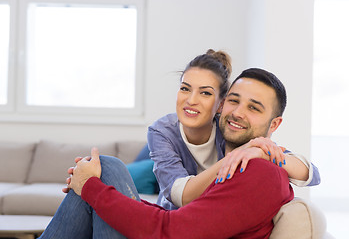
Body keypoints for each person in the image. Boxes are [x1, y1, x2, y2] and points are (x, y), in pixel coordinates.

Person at [40, 68, 306, 238]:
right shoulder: (240, 165)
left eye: (254, 108)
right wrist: (92, 189)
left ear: (274, 125)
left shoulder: (261, 171)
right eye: (234, 101)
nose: (237, 112)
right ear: (222, 105)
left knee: (104, 171)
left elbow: (170, 229)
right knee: (104, 172)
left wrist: (91, 188)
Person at [148, 50, 319, 210]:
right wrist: (238, 155)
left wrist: (263, 153)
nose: (191, 100)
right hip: (171, 216)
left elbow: (311, 174)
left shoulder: (232, 130)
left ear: (221, 104)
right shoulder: (162, 131)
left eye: (205, 93)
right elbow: (179, 196)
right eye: (185, 88)